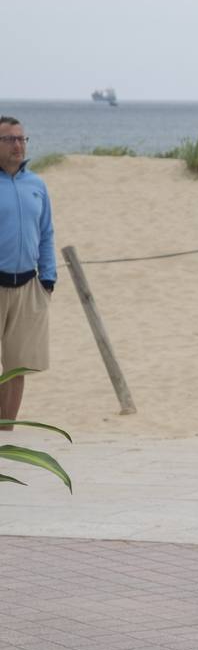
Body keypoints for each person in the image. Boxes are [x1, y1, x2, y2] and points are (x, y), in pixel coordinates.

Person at [0, 117, 56, 429]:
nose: (18, 145)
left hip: (28, 285)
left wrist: (48, 278)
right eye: (9, 139)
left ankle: (6, 433)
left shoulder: (36, 184)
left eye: (22, 139)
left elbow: (46, 232)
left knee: (17, 365)